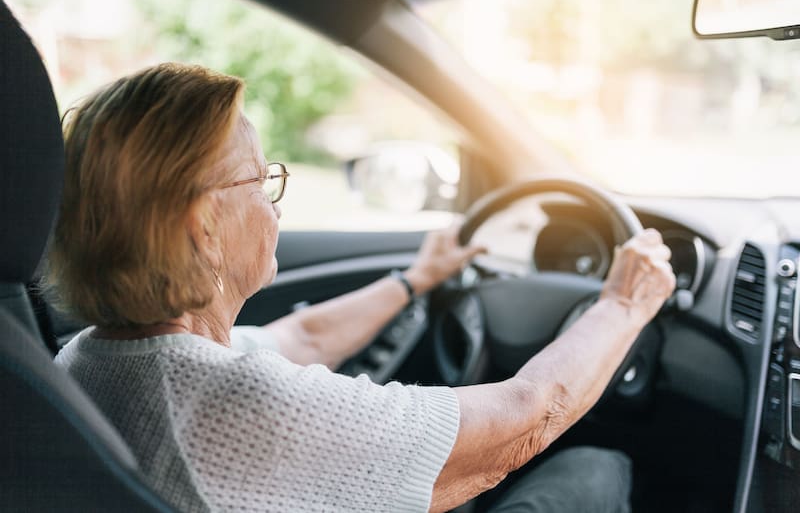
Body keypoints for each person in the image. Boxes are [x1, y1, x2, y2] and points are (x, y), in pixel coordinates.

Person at [47, 63, 675, 512]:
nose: (274, 208)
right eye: (262, 182)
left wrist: (415, 280)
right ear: (204, 227)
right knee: (596, 468)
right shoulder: (239, 405)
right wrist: (624, 304)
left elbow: (303, 335)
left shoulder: (83, 359)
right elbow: (523, 420)